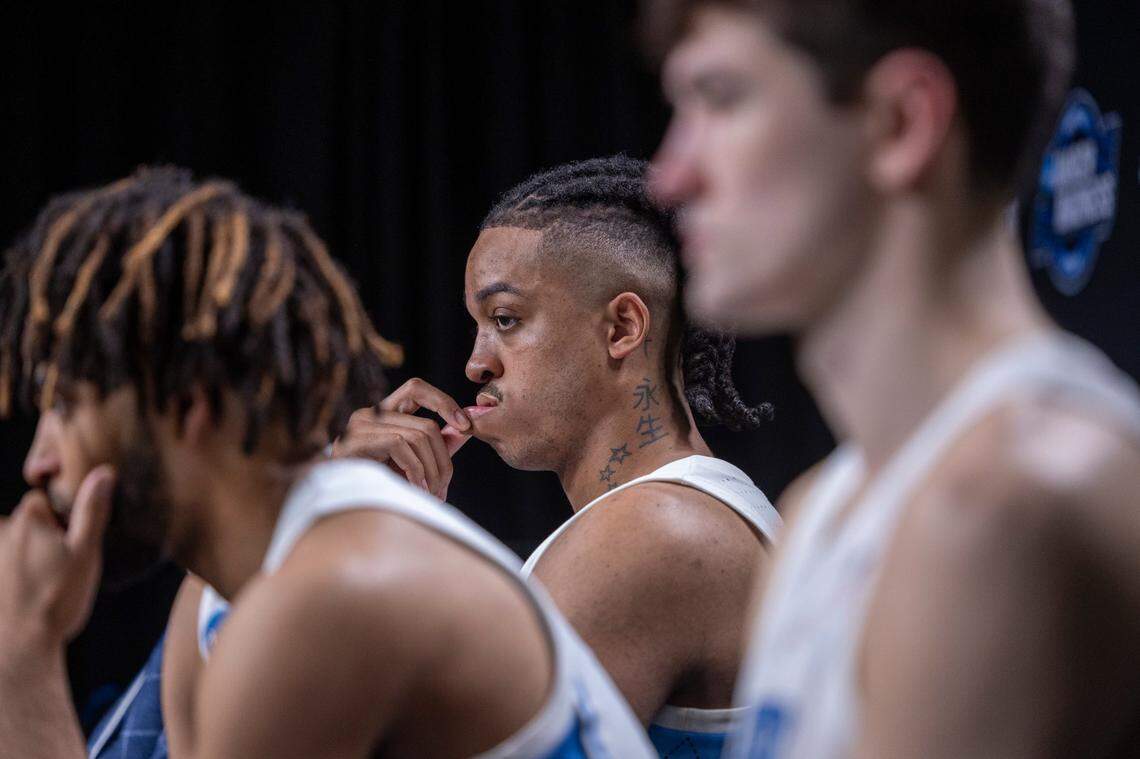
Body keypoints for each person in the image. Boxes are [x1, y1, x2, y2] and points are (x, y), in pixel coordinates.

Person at [0, 167, 655, 758]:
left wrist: (20, 663)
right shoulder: (216, 605)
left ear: (187, 406)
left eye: (68, 405)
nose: (38, 463)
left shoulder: (328, 597)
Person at [645, 1, 1140, 757]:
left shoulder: (1006, 498)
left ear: (902, 124)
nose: (670, 176)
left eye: (721, 97)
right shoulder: (824, 506)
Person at [337, 155, 781, 757]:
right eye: (478, 326)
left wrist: (329, 526)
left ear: (622, 327)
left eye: (505, 319)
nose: (475, 364)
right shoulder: (673, 512)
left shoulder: (650, 533)